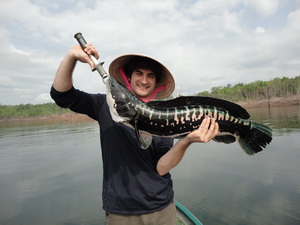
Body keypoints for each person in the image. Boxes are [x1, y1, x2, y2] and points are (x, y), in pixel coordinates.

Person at [51, 44, 219, 225]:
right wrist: (71, 57)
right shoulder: (104, 104)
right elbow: (61, 95)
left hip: (161, 207)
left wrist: (188, 140)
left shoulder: (165, 116)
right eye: (139, 73)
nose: (144, 80)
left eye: (151, 76)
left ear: (156, 83)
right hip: (120, 211)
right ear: (129, 77)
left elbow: (161, 168)